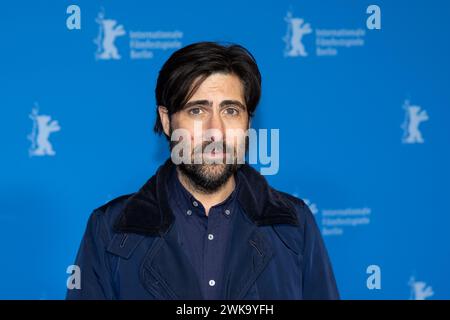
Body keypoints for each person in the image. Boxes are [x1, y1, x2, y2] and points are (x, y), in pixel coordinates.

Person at [66, 41, 339, 300]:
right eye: (197, 111)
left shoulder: (293, 225)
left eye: (231, 111)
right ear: (167, 121)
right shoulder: (110, 229)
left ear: (247, 123)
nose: (215, 131)